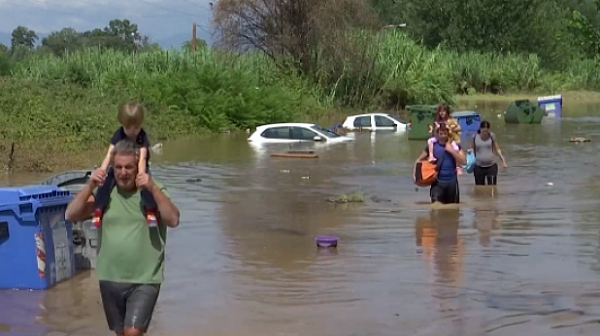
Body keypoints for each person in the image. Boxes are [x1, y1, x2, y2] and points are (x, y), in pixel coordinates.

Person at [65, 139, 180, 336]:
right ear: (112, 168)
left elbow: (173, 219)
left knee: (133, 333)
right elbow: (70, 215)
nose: (123, 172)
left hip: (145, 278)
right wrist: (89, 185)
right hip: (110, 277)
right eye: (118, 167)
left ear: (138, 168)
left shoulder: (152, 192)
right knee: (121, 333)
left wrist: (152, 187)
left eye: (129, 167)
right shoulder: (104, 194)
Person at [94, 102, 157, 228]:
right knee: (105, 183)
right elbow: (109, 154)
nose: (133, 131)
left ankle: (150, 210)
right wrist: (102, 170)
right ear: (122, 125)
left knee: (147, 184)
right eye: (129, 128)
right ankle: (98, 209)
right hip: (120, 165)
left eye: (136, 127)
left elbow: (143, 157)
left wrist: (140, 174)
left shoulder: (142, 136)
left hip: (139, 165)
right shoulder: (119, 134)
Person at [414, 125, 466, 204]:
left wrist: (451, 151)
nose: (443, 136)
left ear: (448, 134)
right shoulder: (432, 146)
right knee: (435, 208)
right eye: (441, 134)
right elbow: (418, 160)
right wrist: (416, 176)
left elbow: (464, 162)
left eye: (445, 134)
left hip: (451, 182)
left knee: (453, 210)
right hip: (437, 182)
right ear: (437, 134)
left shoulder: (455, 146)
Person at [469, 120, 508, 186]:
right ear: (480, 129)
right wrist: (467, 160)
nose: (485, 132)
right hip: (479, 166)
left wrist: (503, 161)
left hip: (491, 166)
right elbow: (471, 149)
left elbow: (497, 149)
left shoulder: (491, 136)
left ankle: (492, 196)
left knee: (492, 187)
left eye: (486, 131)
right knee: (479, 188)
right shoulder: (475, 137)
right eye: (483, 131)